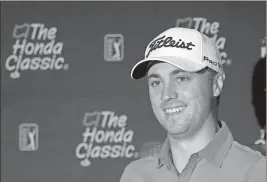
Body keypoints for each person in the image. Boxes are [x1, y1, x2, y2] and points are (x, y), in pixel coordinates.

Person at [119, 27, 266, 182]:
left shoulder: (256, 172)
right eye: (156, 82)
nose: (166, 94)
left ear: (216, 84)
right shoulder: (135, 175)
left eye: (182, 78)